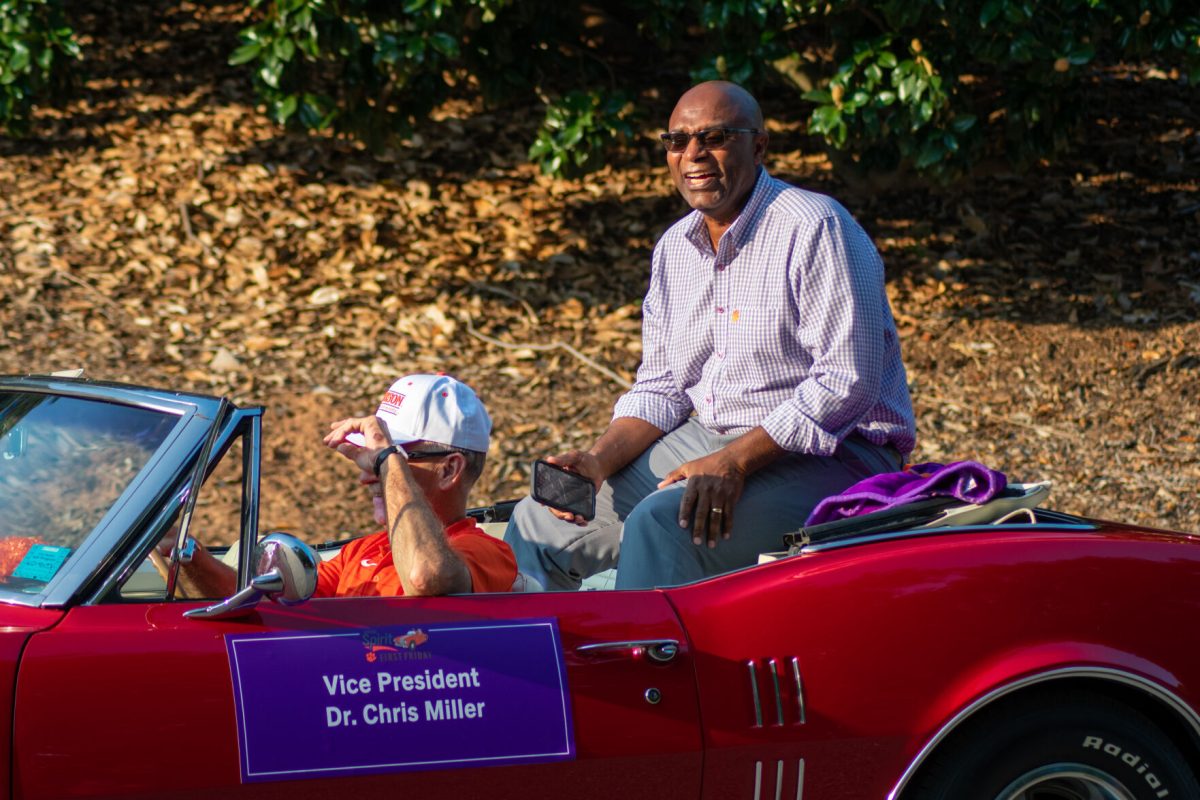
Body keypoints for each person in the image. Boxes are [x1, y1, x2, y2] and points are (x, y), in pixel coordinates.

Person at [504, 80, 916, 591]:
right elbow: (662, 387)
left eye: (715, 137)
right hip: (712, 439)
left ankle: (646, 668)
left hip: (838, 455)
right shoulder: (675, 248)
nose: (693, 154)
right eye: (678, 141)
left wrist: (734, 460)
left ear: (758, 145)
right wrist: (596, 462)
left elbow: (845, 383)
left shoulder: (814, 226)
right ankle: (547, 667)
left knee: (664, 524)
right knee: (537, 520)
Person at [163, 374, 516, 598]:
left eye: (391, 456)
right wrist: (185, 549)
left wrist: (386, 460)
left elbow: (425, 577)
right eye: (373, 458)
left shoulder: (486, 552)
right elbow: (264, 600)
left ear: (448, 470)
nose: (366, 475)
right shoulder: (360, 552)